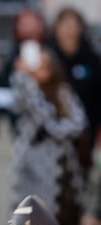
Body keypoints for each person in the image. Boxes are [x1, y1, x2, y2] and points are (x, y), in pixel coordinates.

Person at [9, 45, 87, 225]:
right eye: (37, 66)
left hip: (62, 167)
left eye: (45, 66)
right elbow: (39, 113)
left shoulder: (63, 92)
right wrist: (24, 76)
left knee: (65, 217)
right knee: (28, 218)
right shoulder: (25, 90)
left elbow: (78, 123)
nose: (41, 71)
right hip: (32, 167)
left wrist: (54, 130)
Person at [49, 7, 101, 174]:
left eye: (74, 24)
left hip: (83, 137)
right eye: (65, 24)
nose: (69, 29)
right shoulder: (47, 58)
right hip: (51, 138)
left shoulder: (92, 59)